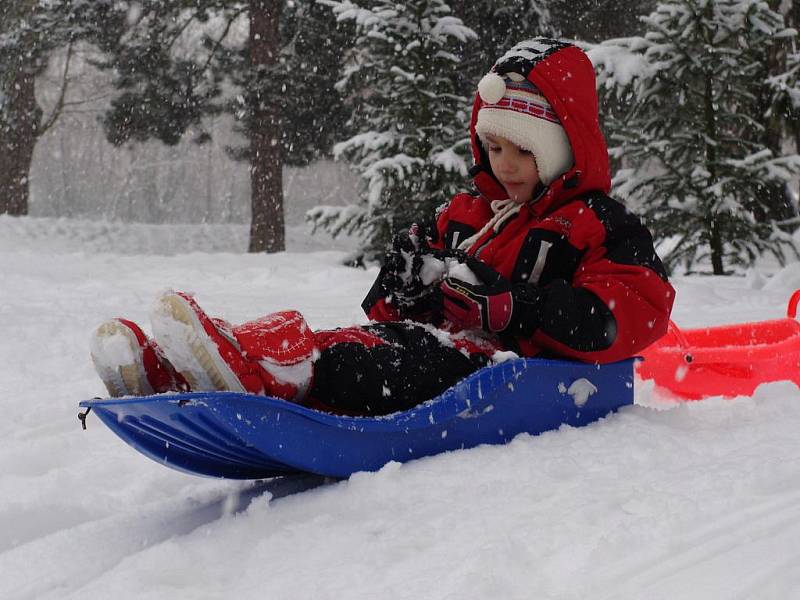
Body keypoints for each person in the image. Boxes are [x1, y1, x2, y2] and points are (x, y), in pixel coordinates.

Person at [90, 38, 675, 416]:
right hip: (443, 354)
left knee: (371, 362)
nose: (502, 165)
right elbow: (388, 316)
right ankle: (194, 371)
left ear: (561, 149)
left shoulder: (596, 223)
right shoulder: (467, 214)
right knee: (363, 343)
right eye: (492, 147)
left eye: (520, 150)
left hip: (508, 376)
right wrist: (404, 280)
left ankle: (255, 375)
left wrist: (512, 308)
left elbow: (628, 317)